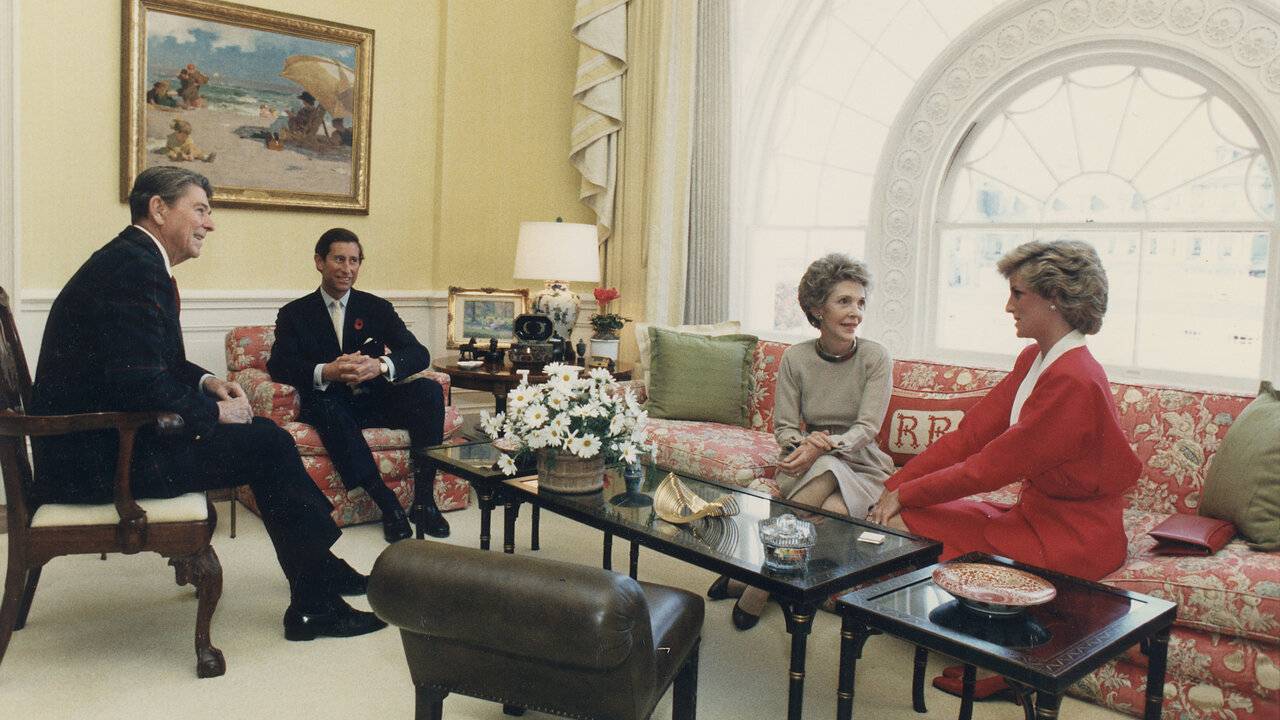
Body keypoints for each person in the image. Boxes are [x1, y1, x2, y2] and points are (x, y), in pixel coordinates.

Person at [30, 166, 386, 641]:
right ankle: (315, 602)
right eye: (200, 210)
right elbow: (139, 383)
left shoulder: (132, 260)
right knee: (269, 445)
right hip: (99, 462)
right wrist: (216, 413)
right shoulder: (134, 270)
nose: (210, 223)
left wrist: (209, 382)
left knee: (266, 436)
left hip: (100, 446)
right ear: (159, 209)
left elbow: (159, 364)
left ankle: (318, 569)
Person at [868, 239, 1140, 699]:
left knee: (912, 515)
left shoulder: (1074, 378)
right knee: (908, 515)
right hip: (1034, 517)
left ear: (1054, 298)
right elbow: (969, 436)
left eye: (1018, 294)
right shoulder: (1035, 359)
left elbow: (987, 469)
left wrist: (905, 494)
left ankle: (1012, 660)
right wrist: (893, 485)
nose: (1008, 306)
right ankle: (989, 643)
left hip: (1074, 538)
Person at [707, 253, 895, 630]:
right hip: (805, 461)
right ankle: (780, 585)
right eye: (844, 301)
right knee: (828, 485)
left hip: (862, 464)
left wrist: (825, 445)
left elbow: (866, 429)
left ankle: (759, 582)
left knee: (834, 500)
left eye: (860, 302)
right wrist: (806, 446)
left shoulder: (875, 357)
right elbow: (786, 428)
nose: (855, 312)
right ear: (817, 308)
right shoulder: (796, 358)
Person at [267, 228, 451, 542]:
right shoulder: (294, 314)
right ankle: (387, 503)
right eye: (339, 259)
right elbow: (279, 365)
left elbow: (418, 353)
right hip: (330, 405)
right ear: (319, 262)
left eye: (354, 261)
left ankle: (424, 501)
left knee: (429, 391)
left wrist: (380, 365)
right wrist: (327, 371)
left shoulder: (376, 308)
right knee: (328, 408)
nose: (347, 269)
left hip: (374, 399)